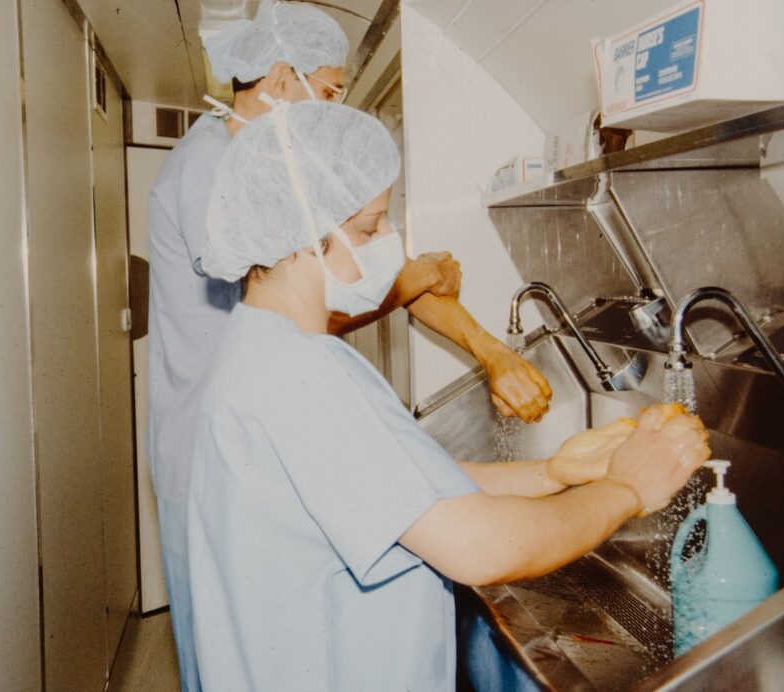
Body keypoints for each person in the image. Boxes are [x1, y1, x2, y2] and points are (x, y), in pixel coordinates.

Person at [175, 98, 711, 690]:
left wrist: (552, 474)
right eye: (369, 228)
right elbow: (479, 546)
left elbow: (398, 483)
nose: (389, 242)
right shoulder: (298, 375)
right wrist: (626, 487)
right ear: (304, 234)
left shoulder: (262, 348)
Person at [148, 3, 548, 684]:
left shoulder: (279, 171)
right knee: (235, 650)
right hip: (209, 451)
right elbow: (314, 297)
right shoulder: (219, 170)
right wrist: (410, 279)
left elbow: (354, 270)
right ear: (281, 75)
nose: (332, 110)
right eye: (330, 92)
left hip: (251, 440)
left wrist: (491, 349)